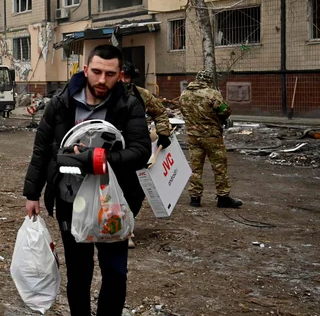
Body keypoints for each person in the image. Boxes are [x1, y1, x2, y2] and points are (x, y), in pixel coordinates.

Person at [23, 45, 151, 316]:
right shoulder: (61, 103)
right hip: (70, 200)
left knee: (115, 273)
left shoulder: (129, 105)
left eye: (110, 73)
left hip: (113, 202)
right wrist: (32, 193)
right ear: (85, 69)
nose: (102, 80)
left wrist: (99, 159)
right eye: (96, 72)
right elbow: (42, 149)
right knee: (79, 273)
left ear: (120, 75)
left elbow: (141, 151)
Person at [120, 63, 172, 248]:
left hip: (138, 149)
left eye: (126, 77)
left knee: (136, 191)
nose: (123, 81)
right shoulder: (105, 95)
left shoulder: (141, 94)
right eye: (120, 76)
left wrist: (163, 133)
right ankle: (120, 229)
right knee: (114, 190)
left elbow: (160, 113)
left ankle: (127, 224)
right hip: (114, 151)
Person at [179, 70, 243, 208]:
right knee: (219, 167)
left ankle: (195, 198)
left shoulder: (184, 94)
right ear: (208, 81)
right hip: (211, 136)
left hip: (193, 136)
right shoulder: (212, 93)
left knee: (195, 167)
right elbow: (225, 110)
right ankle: (223, 197)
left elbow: (183, 112)